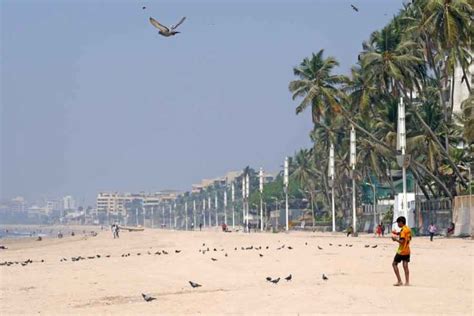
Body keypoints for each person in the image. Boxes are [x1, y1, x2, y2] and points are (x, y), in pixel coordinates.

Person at [391, 216, 411, 286]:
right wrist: (396, 233)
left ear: (401, 222)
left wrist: (395, 239)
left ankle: (399, 281)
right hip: (407, 250)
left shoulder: (403, 230)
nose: (398, 225)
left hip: (401, 250)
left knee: (394, 264)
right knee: (405, 266)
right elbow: (404, 235)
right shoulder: (408, 229)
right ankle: (407, 282)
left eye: (398, 223)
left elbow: (402, 241)